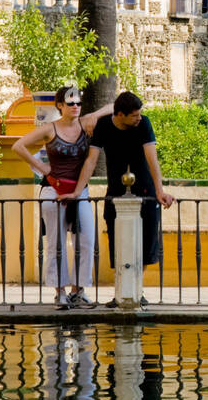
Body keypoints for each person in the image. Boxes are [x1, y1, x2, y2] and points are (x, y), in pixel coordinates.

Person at [65, 91, 176, 306]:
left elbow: (152, 158)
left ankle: (137, 289)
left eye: (139, 114)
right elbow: (91, 160)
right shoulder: (104, 126)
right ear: (121, 114)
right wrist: (78, 191)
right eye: (134, 115)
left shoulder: (143, 124)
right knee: (117, 240)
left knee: (145, 242)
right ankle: (121, 291)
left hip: (146, 189)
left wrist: (160, 191)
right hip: (116, 189)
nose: (139, 118)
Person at [12, 86, 113, 309]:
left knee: (86, 239)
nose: (76, 106)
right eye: (70, 103)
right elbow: (18, 146)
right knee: (56, 242)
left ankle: (79, 290)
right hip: (54, 189)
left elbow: (115, 105)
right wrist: (41, 167)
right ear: (60, 106)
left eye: (78, 103)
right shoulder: (50, 129)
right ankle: (60, 291)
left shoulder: (86, 122)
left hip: (80, 190)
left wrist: (94, 115)